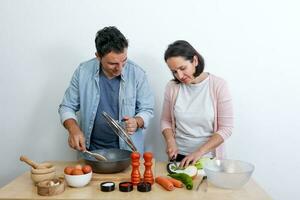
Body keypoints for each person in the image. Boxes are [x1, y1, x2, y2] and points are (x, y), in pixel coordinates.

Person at [59, 26, 154, 154]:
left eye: (124, 61)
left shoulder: (138, 73)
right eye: (113, 64)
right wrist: (73, 129)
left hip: (128, 153)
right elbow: (66, 107)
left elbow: (147, 109)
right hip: (91, 152)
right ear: (98, 56)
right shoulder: (82, 72)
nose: (120, 68)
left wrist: (137, 121)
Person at [160, 40, 233, 167]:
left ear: (195, 61)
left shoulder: (219, 86)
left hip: (208, 158)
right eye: (174, 72)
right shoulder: (172, 87)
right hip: (179, 157)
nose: (180, 76)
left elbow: (226, 129)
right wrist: (170, 141)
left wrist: (199, 152)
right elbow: (166, 121)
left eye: (182, 68)